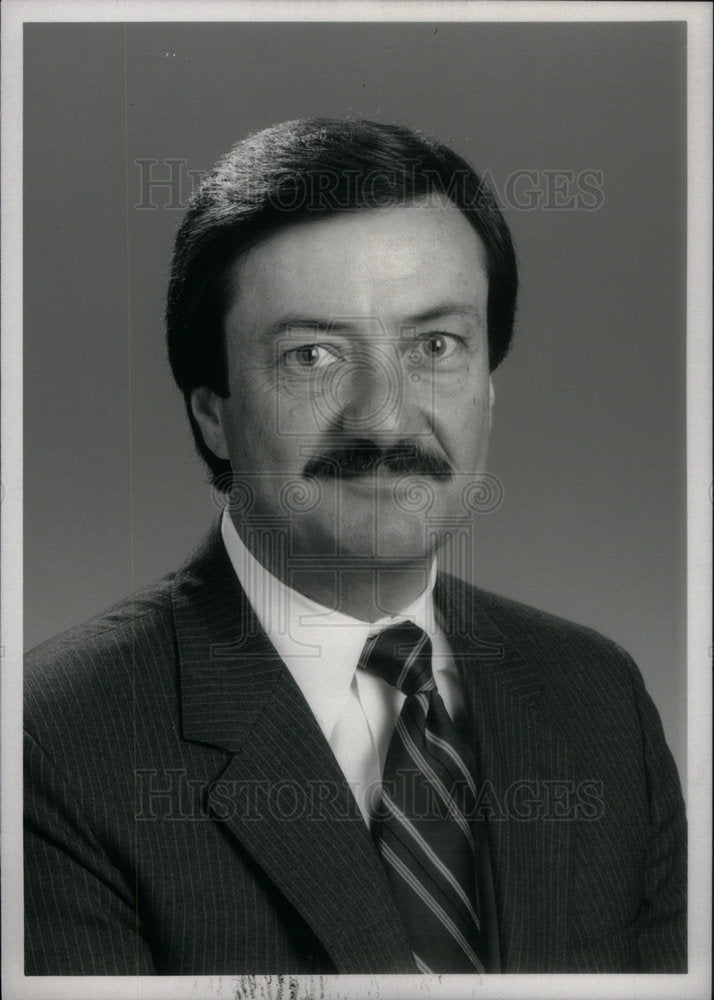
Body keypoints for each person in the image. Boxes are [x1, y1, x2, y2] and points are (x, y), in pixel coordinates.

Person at [24, 118, 686, 976]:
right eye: (312, 355)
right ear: (213, 413)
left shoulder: (599, 698)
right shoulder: (55, 743)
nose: (384, 416)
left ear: (489, 388)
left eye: (435, 346)